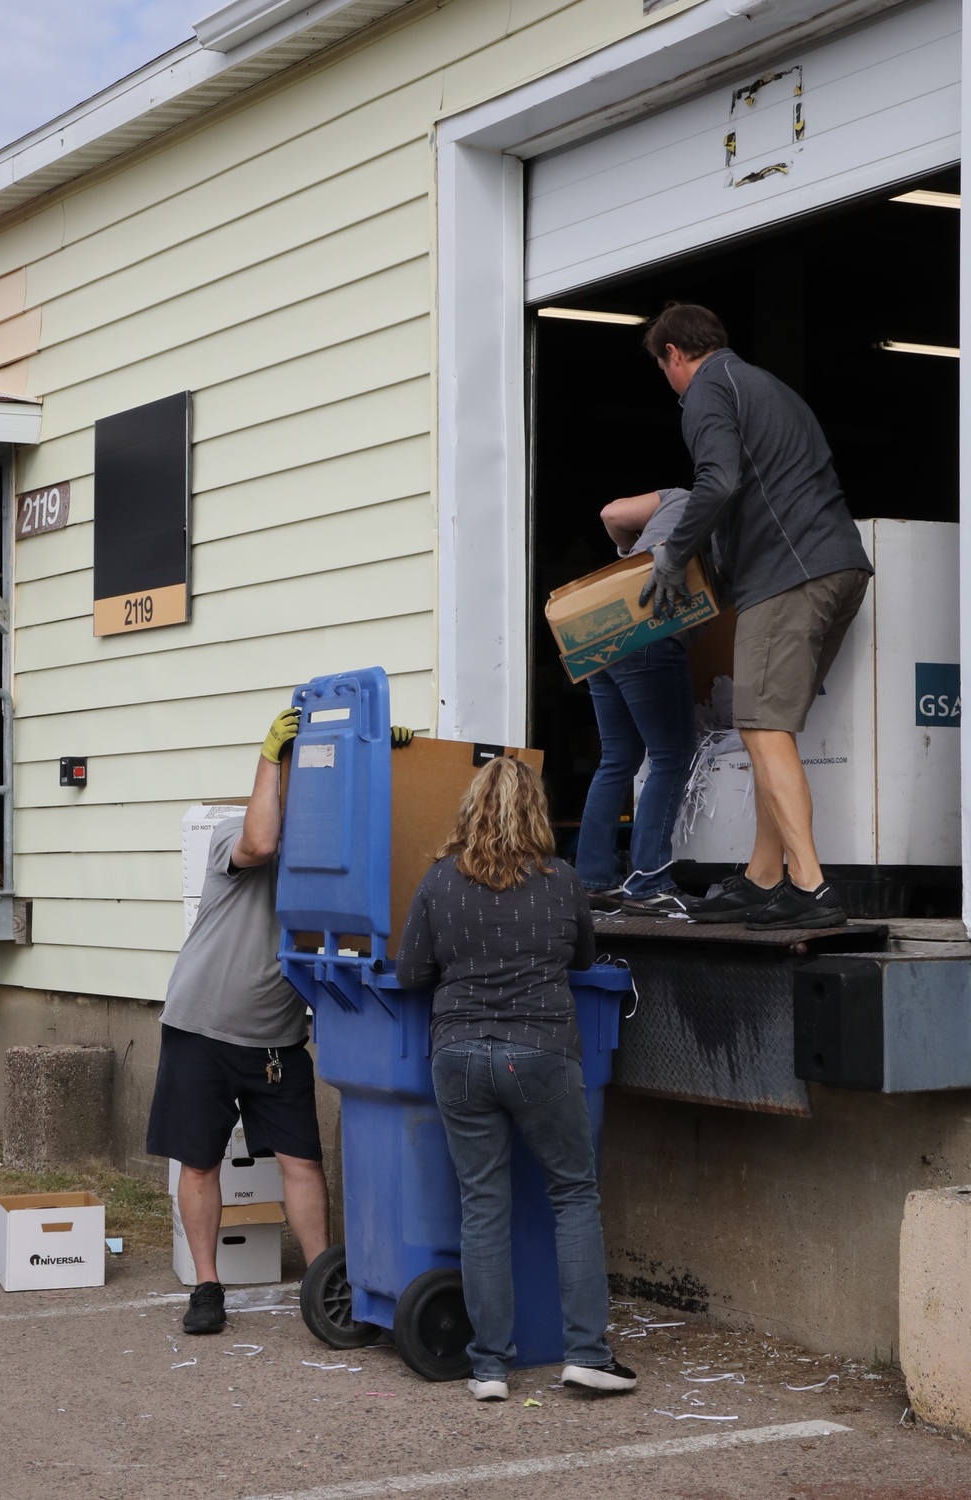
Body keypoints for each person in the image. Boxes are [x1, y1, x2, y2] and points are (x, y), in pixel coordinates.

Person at [395, 756, 636, 1401]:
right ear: (535, 813)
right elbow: (584, 958)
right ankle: (586, 1353)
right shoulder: (562, 882)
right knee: (574, 1196)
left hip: (460, 1055)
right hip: (542, 1053)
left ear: (471, 808)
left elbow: (411, 973)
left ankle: (489, 1368)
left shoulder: (439, 881)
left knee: (483, 1206)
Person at [639, 303, 872, 929]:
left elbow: (716, 482)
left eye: (663, 367)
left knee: (763, 727)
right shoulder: (769, 387)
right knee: (768, 728)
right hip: (839, 567)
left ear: (674, 356)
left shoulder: (708, 389)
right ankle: (764, 875)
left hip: (790, 575)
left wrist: (672, 556)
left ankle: (812, 886)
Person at [147, 707, 330, 1335]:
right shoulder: (233, 835)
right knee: (200, 1161)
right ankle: (207, 1288)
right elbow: (261, 842)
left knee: (302, 1161)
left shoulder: (330, 856)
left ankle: (322, 1283)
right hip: (202, 1026)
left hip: (277, 1040)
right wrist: (268, 757)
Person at [574, 487, 696, 916]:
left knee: (618, 757)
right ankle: (648, 882)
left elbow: (611, 513)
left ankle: (592, 882)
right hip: (648, 630)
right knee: (672, 754)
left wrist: (631, 549)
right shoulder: (721, 513)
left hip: (600, 629)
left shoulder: (677, 498)